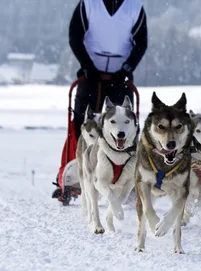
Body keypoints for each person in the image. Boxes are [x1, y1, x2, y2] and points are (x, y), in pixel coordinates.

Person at [52, 0, 148, 202]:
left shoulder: (134, 7)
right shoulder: (88, 4)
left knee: (126, 126)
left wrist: (127, 69)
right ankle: (73, 177)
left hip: (120, 76)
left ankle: (126, 180)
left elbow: (141, 43)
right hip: (90, 73)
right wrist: (87, 65)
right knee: (81, 124)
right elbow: (75, 36)